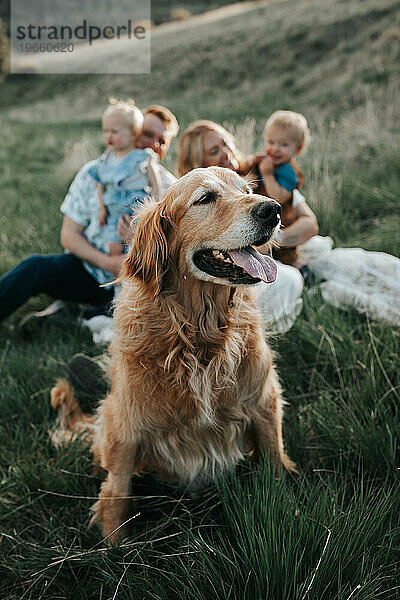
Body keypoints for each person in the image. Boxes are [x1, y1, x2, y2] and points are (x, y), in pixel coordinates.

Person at [0, 104, 179, 325]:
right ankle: (79, 311)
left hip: (136, 283)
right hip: (89, 270)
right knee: (35, 267)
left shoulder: (170, 188)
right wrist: (107, 262)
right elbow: (69, 235)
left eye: (162, 141)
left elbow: (174, 254)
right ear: (132, 131)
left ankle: (79, 317)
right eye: (148, 134)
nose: (154, 144)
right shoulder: (94, 173)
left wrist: (141, 236)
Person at [177, 120, 318, 332]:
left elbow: (310, 224)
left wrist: (269, 239)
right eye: (215, 151)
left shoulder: (261, 170)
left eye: (226, 144)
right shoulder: (185, 198)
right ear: (197, 162)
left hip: (272, 256)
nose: (226, 153)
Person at [93, 98, 161, 257]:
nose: (109, 136)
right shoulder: (105, 159)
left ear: (133, 134)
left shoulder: (141, 157)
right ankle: (117, 281)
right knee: (114, 250)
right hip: (114, 212)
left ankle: (134, 277)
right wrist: (102, 209)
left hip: (137, 209)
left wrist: (152, 207)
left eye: (115, 132)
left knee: (136, 250)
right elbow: (100, 185)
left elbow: (155, 183)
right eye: (106, 131)